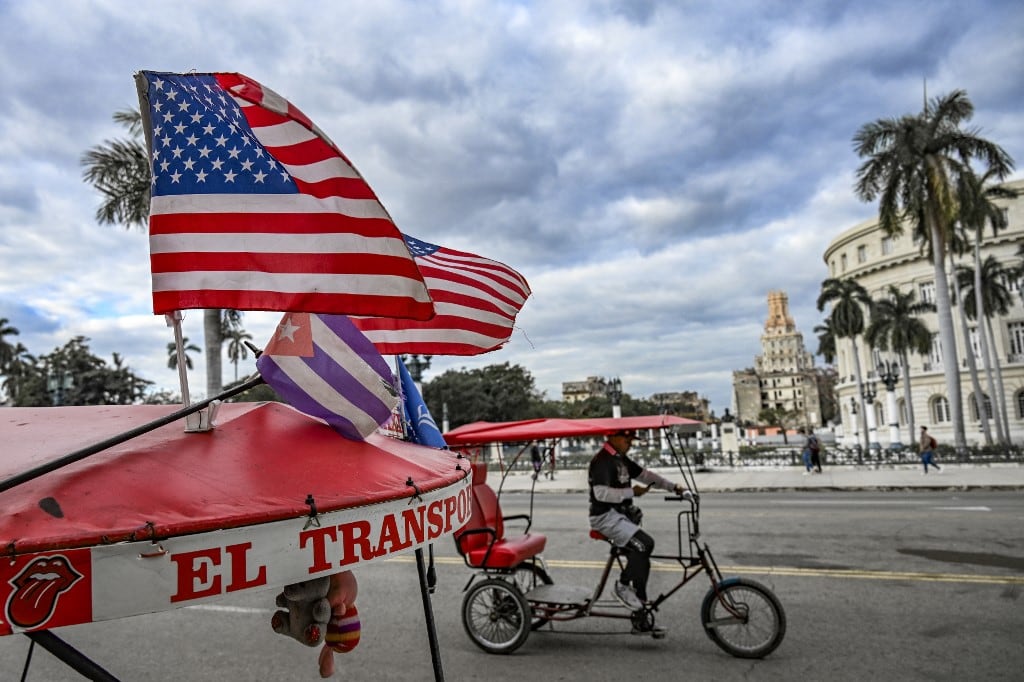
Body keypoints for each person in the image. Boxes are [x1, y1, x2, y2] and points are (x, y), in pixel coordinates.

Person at [588, 429, 691, 620]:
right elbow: (600, 494)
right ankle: (623, 586)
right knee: (645, 544)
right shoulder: (602, 460)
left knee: (642, 561)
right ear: (613, 437)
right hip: (605, 516)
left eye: (631, 440)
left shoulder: (621, 459)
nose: (630, 443)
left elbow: (645, 475)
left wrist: (673, 487)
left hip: (621, 516)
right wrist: (631, 492)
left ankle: (641, 611)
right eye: (627, 439)